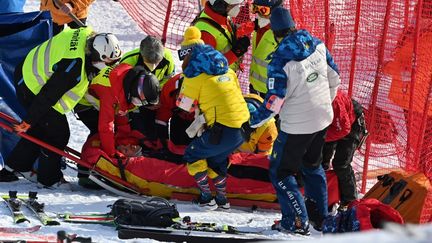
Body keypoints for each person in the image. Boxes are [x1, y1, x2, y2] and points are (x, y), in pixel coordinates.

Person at [249, 7, 340, 234]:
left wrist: (251, 122)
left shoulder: (279, 62)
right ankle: (320, 216)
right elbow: (335, 76)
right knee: (313, 165)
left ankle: (296, 221)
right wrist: (323, 103)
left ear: (275, 33)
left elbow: (274, 102)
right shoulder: (318, 44)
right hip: (322, 119)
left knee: (281, 172)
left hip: (297, 126)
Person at [2, 27, 122, 188]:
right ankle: (49, 179)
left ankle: (15, 167)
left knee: (41, 129)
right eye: (109, 62)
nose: (112, 66)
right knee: (58, 133)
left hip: (27, 70)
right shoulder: (73, 68)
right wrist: (28, 121)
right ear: (98, 56)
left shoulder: (87, 33)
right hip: (32, 88)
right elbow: (48, 95)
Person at [176, 26, 249, 210]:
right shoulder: (227, 69)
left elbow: (184, 105)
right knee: (217, 159)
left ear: (187, 55)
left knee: (193, 154)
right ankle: (223, 201)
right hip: (243, 127)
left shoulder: (194, 76)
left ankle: (206, 197)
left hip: (223, 128)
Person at [81, 63, 160, 158]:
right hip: (83, 102)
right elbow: (106, 127)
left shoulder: (126, 78)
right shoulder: (111, 92)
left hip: (99, 99)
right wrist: (112, 155)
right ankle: (86, 165)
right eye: (139, 101)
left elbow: (120, 110)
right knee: (97, 134)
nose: (136, 104)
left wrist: (124, 135)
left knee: (109, 137)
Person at [120, 36, 175, 145]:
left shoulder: (168, 58)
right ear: (141, 54)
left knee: (159, 132)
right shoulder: (128, 62)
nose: (153, 67)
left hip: (157, 101)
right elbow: (123, 93)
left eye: (157, 62)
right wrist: (144, 104)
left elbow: (168, 81)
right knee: (140, 134)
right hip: (135, 105)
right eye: (149, 62)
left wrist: (159, 97)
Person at [322, 90, 367, 209]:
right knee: (320, 162)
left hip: (351, 125)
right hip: (333, 124)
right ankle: (324, 195)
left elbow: (343, 129)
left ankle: (350, 201)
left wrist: (321, 137)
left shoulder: (334, 102)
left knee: (341, 164)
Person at [192, 0, 251, 71]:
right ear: (220, 5)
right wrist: (235, 53)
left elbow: (226, 32)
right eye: (234, 5)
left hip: (227, 75)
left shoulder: (222, 16)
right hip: (217, 79)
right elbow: (207, 66)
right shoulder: (206, 33)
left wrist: (252, 26)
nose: (238, 8)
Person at [249, 0, 281, 97]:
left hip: (271, 91)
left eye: (263, 10)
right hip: (255, 86)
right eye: (255, 8)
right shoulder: (258, 28)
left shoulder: (280, 34)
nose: (258, 14)